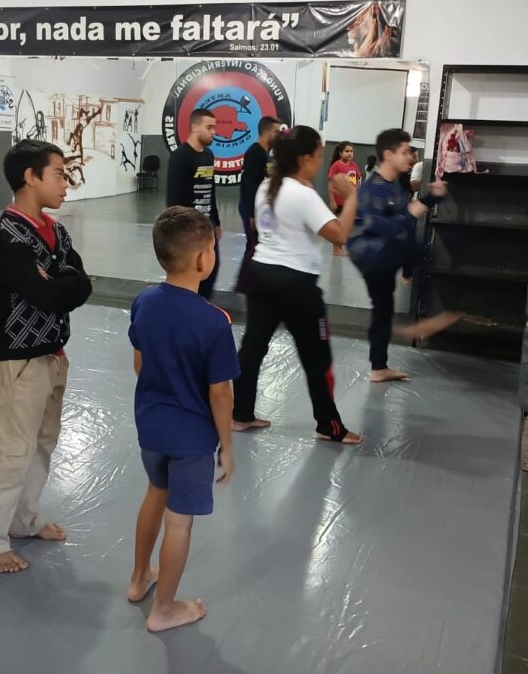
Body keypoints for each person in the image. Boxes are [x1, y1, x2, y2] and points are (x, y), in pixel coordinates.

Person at [0, 139, 92, 574]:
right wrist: (59, 283)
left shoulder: (57, 232)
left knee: (43, 442)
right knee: (13, 449)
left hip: (54, 353)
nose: (66, 183)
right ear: (30, 177)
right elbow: (45, 295)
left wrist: (59, 282)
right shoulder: (9, 234)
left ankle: (24, 518)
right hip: (20, 359)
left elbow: (82, 284)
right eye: (58, 173)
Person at [127, 206, 238, 632]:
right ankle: (164, 610)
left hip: (151, 427)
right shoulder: (213, 323)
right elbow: (220, 394)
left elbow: (139, 364)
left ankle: (139, 578)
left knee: (155, 493)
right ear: (203, 260)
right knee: (179, 522)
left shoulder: (144, 301)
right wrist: (227, 445)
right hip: (191, 439)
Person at [233, 126, 363, 445]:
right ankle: (329, 425)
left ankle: (241, 414)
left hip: (260, 274)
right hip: (296, 285)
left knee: (252, 348)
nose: (320, 161)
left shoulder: (267, 187)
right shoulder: (303, 196)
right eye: (318, 155)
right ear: (304, 159)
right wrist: (351, 197)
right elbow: (339, 235)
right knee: (316, 357)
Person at [347, 129, 446, 383]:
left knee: (383, 308)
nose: (410, 156)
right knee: (418, 252)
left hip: (384, 252)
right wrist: (414, 210)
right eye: (405, 152)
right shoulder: (372, 188)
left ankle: (379, 368)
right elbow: (384, 226)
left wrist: (430, 198)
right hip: (371, 254)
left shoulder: (395, 185)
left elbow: (405, 216)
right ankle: (414, 326)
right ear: (388, 155)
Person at [166, 109, 222, 299]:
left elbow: (210, 190)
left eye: (214, 127)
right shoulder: (180, 157)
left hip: (207, 228)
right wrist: (178, 234)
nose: (213, 132)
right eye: (209, 127)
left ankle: (202, 306)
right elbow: (173, 200)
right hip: (189, 232)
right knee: (191, 277)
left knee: (211, 270)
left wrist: (216, 222)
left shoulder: (208, 155)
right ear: (195, 127)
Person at [236, 116, 281, 290]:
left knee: (256, 244)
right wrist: (252, 214)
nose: (278, 135)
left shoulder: (266, 153)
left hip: (260, 208)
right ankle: (243, 284)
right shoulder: (254, 152)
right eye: (276, 132)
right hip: (251, 208)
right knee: (253, 245)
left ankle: (249, 282)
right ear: (267, 132)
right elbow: (249, 184)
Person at [327, 142, 362, 256]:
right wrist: (332, 200)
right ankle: (336, 249)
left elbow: (357, 180)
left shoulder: (354, 166)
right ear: (340, 153)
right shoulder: (336, 165)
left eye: (351, 151)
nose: (350, 153)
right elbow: (331, 185)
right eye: (347, 151)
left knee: (346, 226)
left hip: (349, 201)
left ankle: (340, 247)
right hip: (339, 201)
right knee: (338, 225)